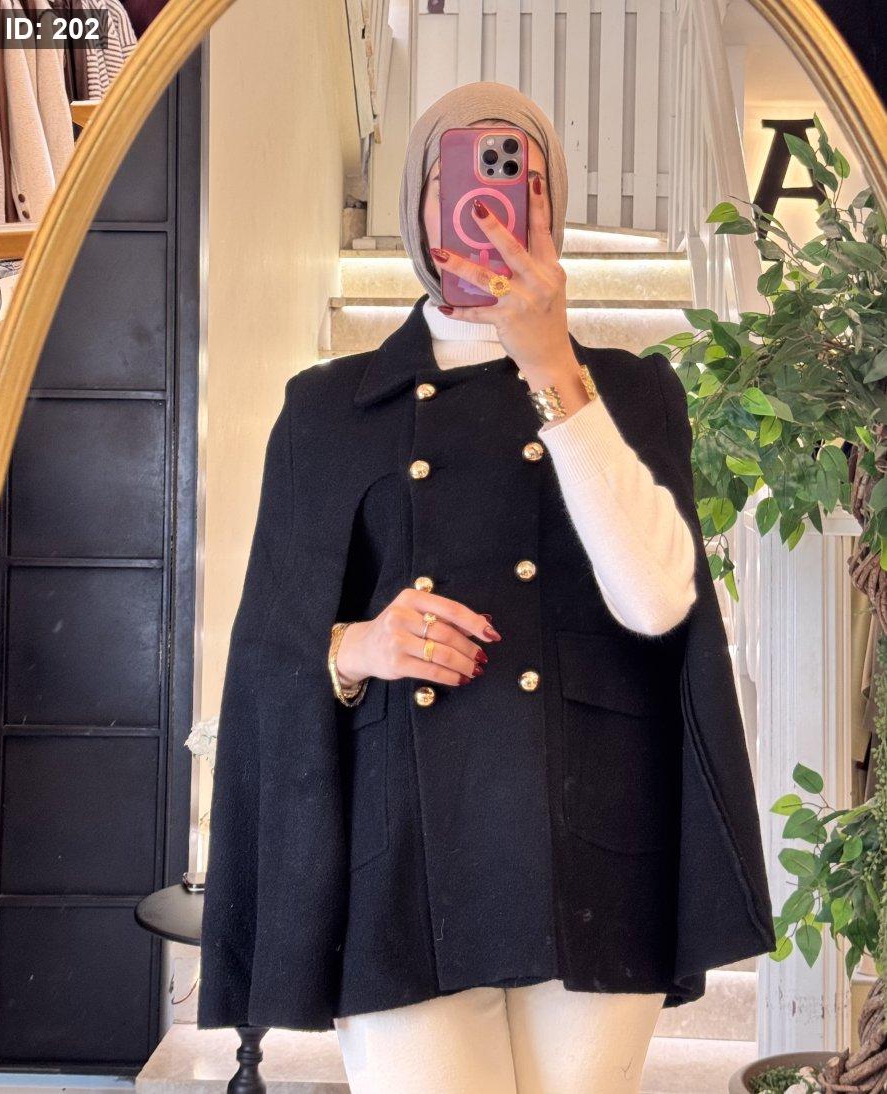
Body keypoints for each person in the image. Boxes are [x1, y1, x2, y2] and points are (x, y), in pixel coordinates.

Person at [197, 81, 777, 1094]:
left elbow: (656, 601)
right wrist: (360, 645)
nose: (491, 198)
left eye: (525, 179)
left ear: (552, 208)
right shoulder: (328, 408)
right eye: (456, 174)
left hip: (597, 842)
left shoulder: (630, 390)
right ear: (420, 204)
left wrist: (551, 365)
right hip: (401, 853)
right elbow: (269, 647)